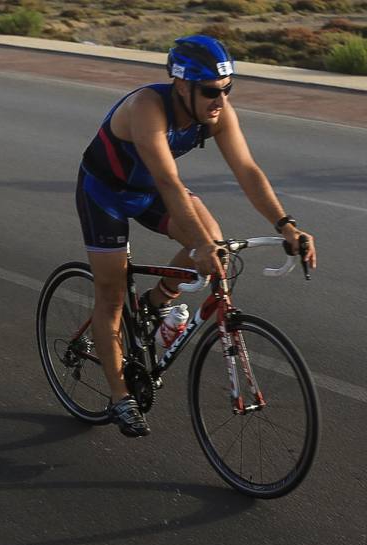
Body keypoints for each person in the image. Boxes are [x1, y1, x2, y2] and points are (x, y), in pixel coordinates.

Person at [76, 34, 317, 437]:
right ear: (183, 85)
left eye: (227, 89)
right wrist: (198, 243)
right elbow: (169, 180)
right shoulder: (147, 108)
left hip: (149, 191)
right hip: (106, 195)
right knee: (112, 295)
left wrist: (285, 224)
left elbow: (247, 170)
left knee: (216, 247)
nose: (220, 100)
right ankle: (121, 399)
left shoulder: (217, 113)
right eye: (210, 91)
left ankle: (155, 304)